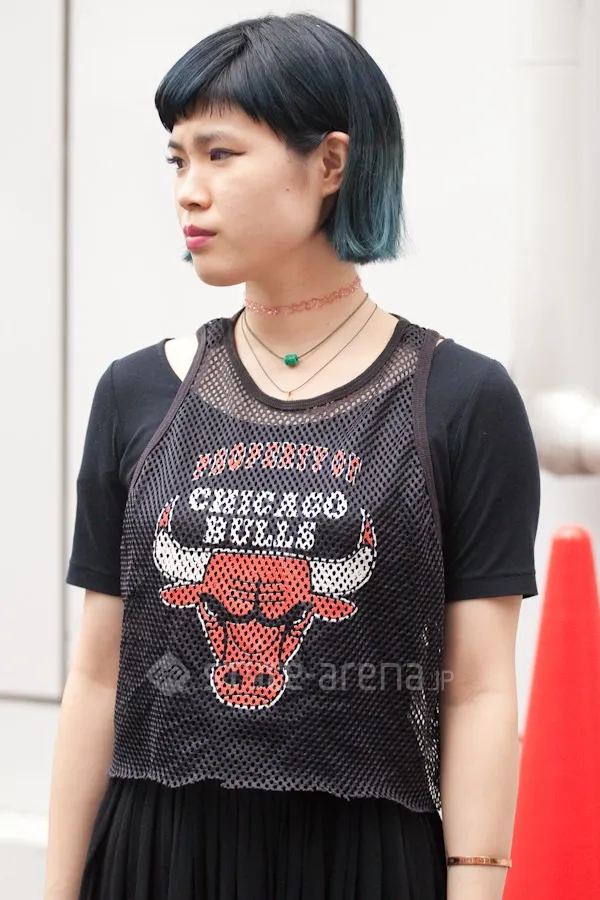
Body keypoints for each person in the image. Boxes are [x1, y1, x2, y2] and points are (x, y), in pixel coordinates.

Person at [44, 12, 540, 900]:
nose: (189, 191)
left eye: (221, 154)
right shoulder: (137, 392)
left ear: (330, 164)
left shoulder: (461, 400)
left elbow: (477, 691)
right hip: (156, 856)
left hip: (364, 860)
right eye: (178, 159)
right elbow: (96, 676)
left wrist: (474, 886)